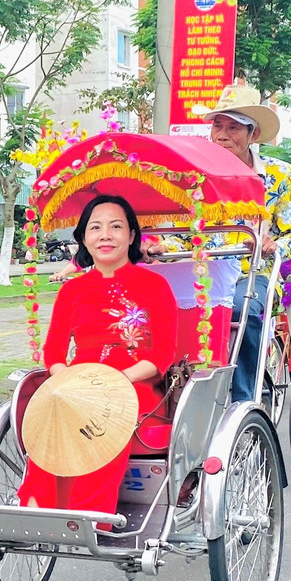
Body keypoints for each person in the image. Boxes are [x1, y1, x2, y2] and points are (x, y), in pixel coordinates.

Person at [17, 194, 178, 515]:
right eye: (96, 227)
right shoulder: (72, 290)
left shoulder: (155, 286)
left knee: (104, 419)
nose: (105, 235)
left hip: (136, 387)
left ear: (132, 236)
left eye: (116, 226)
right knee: (56, 410)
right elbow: (54, 351)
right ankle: (36, 507)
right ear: (83, 239)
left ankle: (87, 515)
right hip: (80, 385)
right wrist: (69, 383)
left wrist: (116, 380)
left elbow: (163, 352)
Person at [189, 85, 291, 404]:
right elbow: (179, 230)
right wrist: (159, 248)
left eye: (233, 128)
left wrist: (274, 245)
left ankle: (245, 402)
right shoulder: (193, 174)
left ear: (252, 134)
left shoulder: (280, 175)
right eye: (217, 126)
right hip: (198, 274)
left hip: (254, 275)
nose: (222, 135)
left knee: (242, 308)